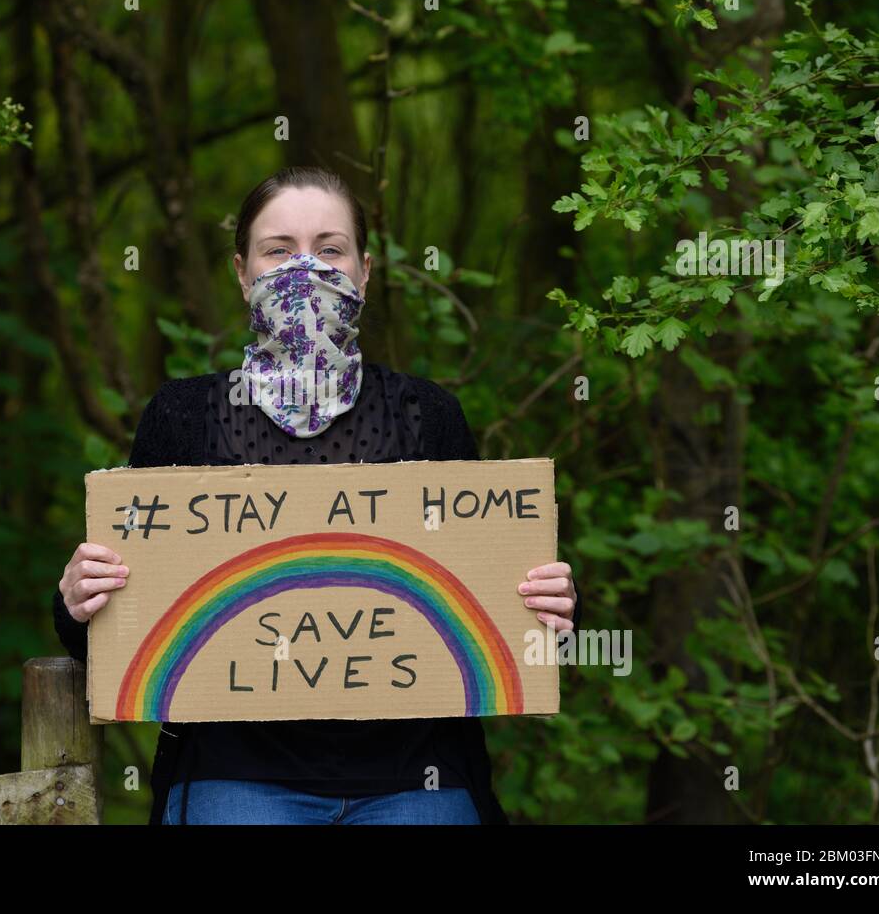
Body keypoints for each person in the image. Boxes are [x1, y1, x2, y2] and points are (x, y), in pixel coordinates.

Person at [53, 166, 581, 824]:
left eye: (330, 250)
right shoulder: (182, 417)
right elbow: (113, 633)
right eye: (279, 250)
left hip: (417, 775)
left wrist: (549, 608)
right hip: (233, 773)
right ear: (242, 272)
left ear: (364, 270)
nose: (306, 269)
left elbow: (502, 618)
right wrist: (77, 600)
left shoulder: (428, 413)